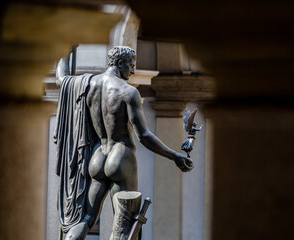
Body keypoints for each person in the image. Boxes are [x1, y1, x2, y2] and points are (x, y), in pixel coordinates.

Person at [54, 46, 193, 240]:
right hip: (121, 157)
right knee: (125, 222)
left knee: (85, 218)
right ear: (120, 63)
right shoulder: (128, 92)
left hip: (98, 157)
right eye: (131, 65)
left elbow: (62, 79)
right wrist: (174, 155)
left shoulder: (86, 85)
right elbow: (143, 135)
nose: (133, 71)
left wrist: (66, 48)